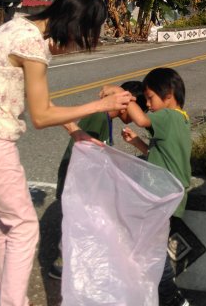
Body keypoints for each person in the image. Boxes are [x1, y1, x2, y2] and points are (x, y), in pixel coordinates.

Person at [0, 0, 133, 306]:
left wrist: (75, 131)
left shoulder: (17, 27)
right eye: (83, 34)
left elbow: (43, 103)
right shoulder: (31, 45)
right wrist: (99, 106)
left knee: (9, 226)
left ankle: (10, 299)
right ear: (74, 23)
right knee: (25, 228)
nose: (77, 43)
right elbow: (40, 115)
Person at [105, 67, 192, 306]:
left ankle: (172, 298)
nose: (148, 105)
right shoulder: (180, 119)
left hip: (162, 196)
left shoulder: (168, 116)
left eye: (150, 98)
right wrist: (138, 143)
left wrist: (122, 94)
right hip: (169, 194)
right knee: (150, 247)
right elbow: (162, 156)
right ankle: (156, 293)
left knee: (152, 251)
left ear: (168, 95)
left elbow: (141, 119)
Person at [47, 80, 147, 280]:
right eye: (136, 111)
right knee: (76, 224)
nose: (134, 118)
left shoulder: (105, 119)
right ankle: (62, 265)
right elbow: (84, 151)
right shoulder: (98, 118)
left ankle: (76, 261)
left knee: (85, 223)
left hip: (86, 182)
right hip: (78, 182)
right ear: (126, 104)